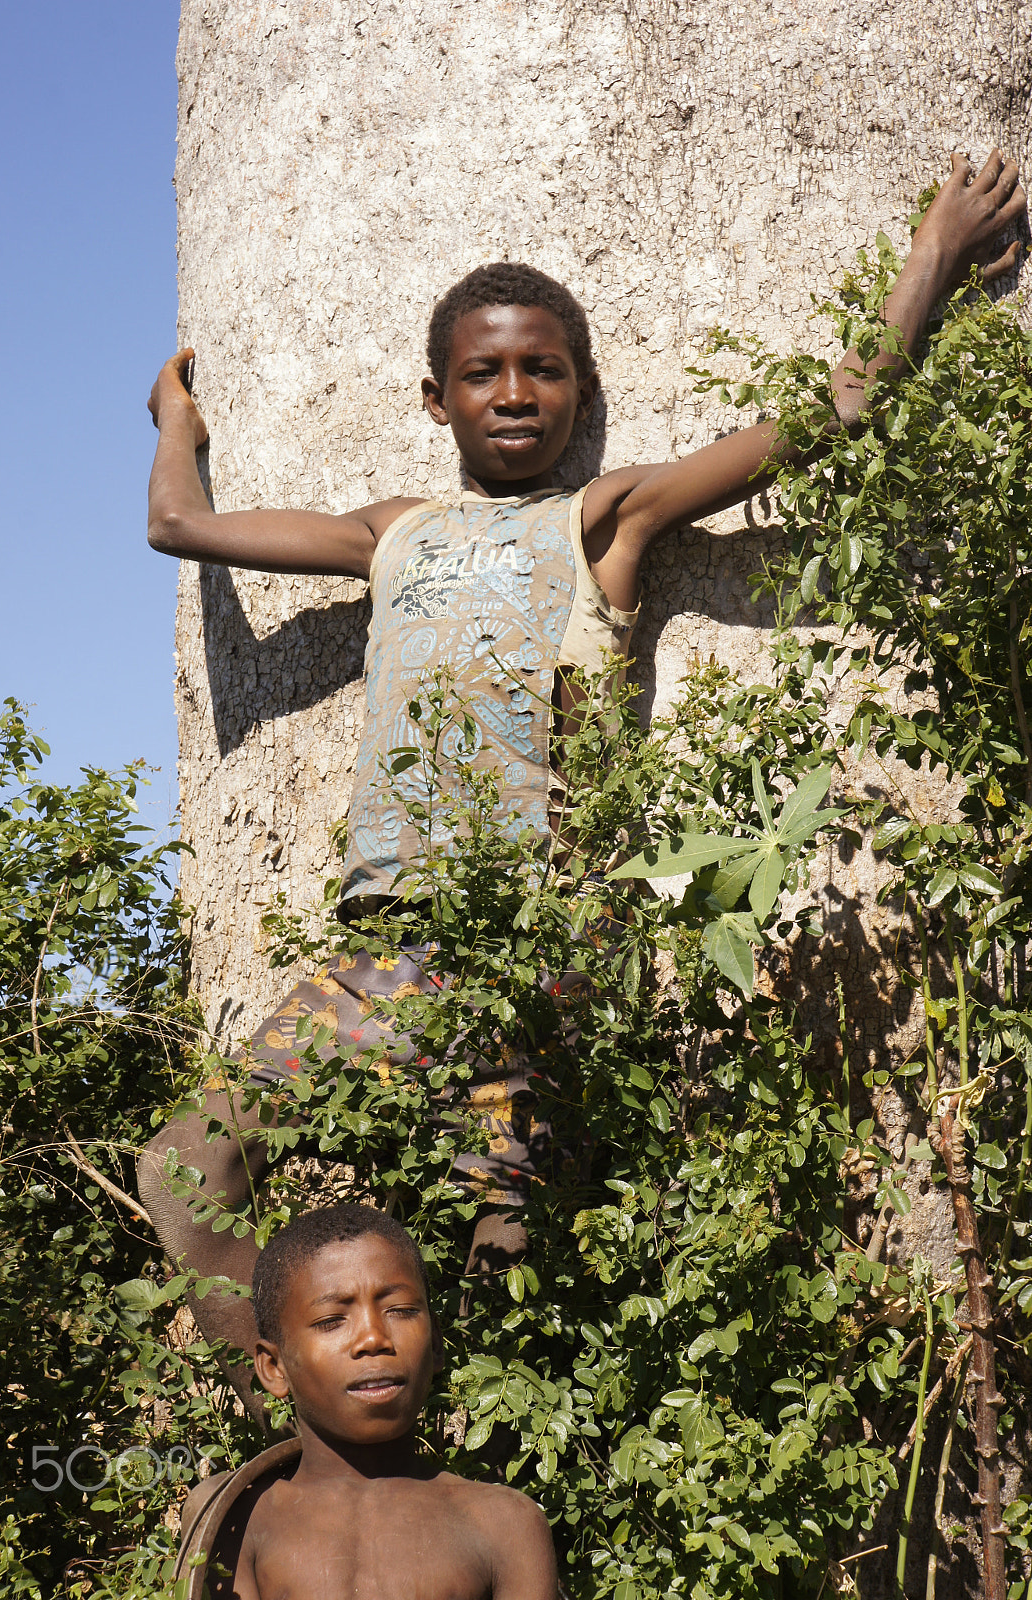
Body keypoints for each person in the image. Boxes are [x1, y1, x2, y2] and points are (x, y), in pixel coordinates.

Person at [138, 151, 1024, 1424]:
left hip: (538, 948)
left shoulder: (604, 520)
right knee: (182, 1165)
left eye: (542, 369)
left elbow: (834, 411)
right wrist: (180, 430)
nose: (514, 393)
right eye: (483, 373)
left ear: (581, 390)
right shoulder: (391, 534)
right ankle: (290, 1434)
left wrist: (933, 249)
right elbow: (180, 530)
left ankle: (489, 1492)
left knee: (508, 1277)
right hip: (382, 957)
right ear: (433, 398)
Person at [220, 1204, 557, 1599]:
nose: (374, 1339)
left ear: (435, 1345)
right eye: (331, 1321)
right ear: (275, 1368)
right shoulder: (236, 1516)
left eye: (400, 1311)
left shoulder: (503, 1523)